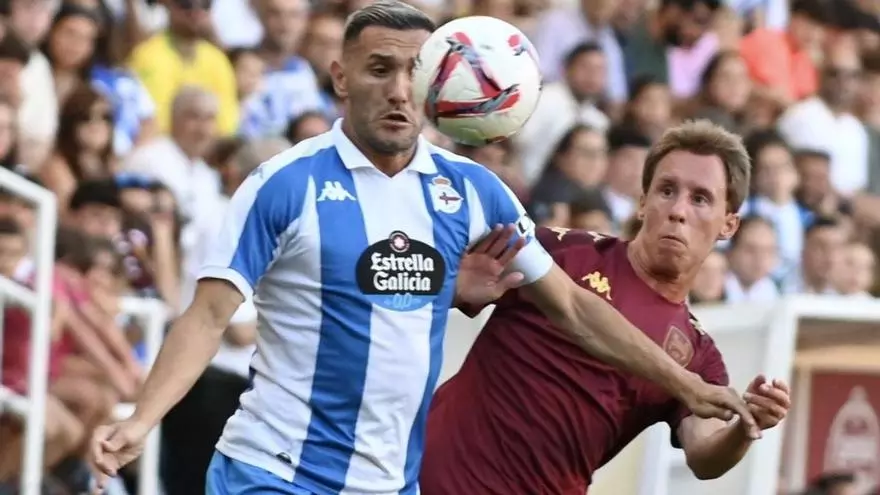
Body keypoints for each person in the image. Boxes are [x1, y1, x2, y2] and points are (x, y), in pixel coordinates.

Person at [90, 3, 757, 494]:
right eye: (378, 69)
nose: (398, 88)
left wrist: (686, 385)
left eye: (414, 71)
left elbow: (578, 310)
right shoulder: (284, 184)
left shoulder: (474, 193)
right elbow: (208, 316)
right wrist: (142, 418)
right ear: (341, 77)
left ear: (438, 81)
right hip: (273, 470)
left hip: (389, 483)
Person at [420, 120, 793, 494]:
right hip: (429, 481)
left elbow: (704, 456)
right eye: (666, 191)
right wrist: (451, 287)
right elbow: (414, 291)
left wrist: (745, 428)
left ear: (729, 224)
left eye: (700, 199)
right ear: (643, 202)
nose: (678, 210)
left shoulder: (697, 356)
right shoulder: (558, 252)